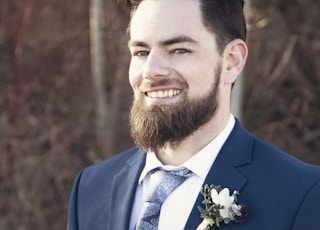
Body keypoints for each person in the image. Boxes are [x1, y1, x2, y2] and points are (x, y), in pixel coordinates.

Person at [67, 0, 320, 229]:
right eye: (141, 52)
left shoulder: (301, 194)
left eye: (179, 50)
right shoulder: (90, 189)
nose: (150, 71)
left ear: (231, 61)